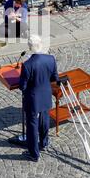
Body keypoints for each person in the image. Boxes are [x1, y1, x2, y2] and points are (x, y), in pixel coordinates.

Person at [19, 34, 59, 162]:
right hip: (46, 95)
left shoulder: (27, 65)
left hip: (33, 99)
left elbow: (22, 86)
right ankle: (44, 142)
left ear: (30, 47)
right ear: (41, 44)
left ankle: (34, 154)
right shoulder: (50, 59)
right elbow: (54, 78)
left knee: (32, 125)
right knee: (44, 120)